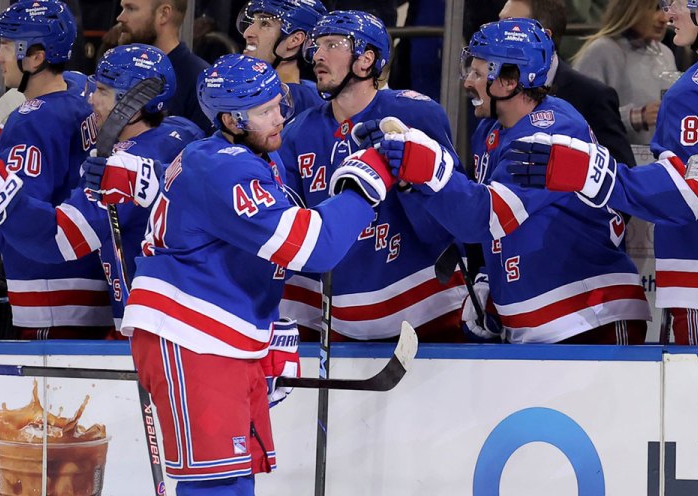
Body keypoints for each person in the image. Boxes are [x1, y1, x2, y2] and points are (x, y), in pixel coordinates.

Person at [112, 53, 393, 496]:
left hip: (222, 338)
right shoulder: (221, 167)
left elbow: (272, 251)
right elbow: (311, 247)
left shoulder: (244, 160)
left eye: (278, 101)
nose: (280, 114)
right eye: (264, 109)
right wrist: (364, 181)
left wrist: (267, 336)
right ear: (231, 118)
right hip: (190, 336)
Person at [506, 0, 698, 346]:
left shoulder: (695, 90)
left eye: (676, 2)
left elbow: (684, 193)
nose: (667, 10)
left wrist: (590, 173)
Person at [368, 19, 650, 343]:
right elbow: (492, 220)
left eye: (477, 72)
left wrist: (427, 168)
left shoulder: (551, 132)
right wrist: (489, 279)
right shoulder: (490, 130)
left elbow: (485, 216)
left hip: (588, 319)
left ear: (508, 80)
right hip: (541, 321)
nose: (467, 82)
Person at [0, 45, 204, 334]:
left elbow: (59, 238)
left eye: (102, 91)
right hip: (188, 319)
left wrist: (0, 200)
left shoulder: (116, 170)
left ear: (132, 103)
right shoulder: (185, 132)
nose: (90, 99)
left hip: (154, 332)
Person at [278, 10, 467, 341]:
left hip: (422, 305)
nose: (318, 56)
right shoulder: (298, 132)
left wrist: (409, 178)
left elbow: (454, 217)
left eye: (333, 45)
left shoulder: (415, 114)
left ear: (366, 60)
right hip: (331, 313)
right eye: (316, 46)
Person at [0, 0, 113, 339]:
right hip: (94, 287)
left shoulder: (32, 119)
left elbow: (12, 229)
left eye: (6, 45)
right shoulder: (84, 94)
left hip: (49, 300)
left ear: (36, 57)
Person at [499, 0, 637, 168]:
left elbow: (619, 171)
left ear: (542, 38)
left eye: (509, 27)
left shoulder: (592, 97)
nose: (497, 35)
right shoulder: (493, 89)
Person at [574, 0, 681, 146]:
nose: (664, 18)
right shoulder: (600, 51)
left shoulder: (665, 53)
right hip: (614, 160)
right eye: (655, 9)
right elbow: (581, 117)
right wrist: (636, 117)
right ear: (630, 9)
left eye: (665, 9)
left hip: (657, 158)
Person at [118, 0, 213, 131]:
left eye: (131, 9)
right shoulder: (119, 69)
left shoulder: (201, 82)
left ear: (164, 14)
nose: (120, 17)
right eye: (122, 8)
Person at [239, 0, 327, 116]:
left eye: (265, 24)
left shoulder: (291, 101)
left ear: (295, 40)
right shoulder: (310, 90)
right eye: (253, 22)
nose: (247, 33)